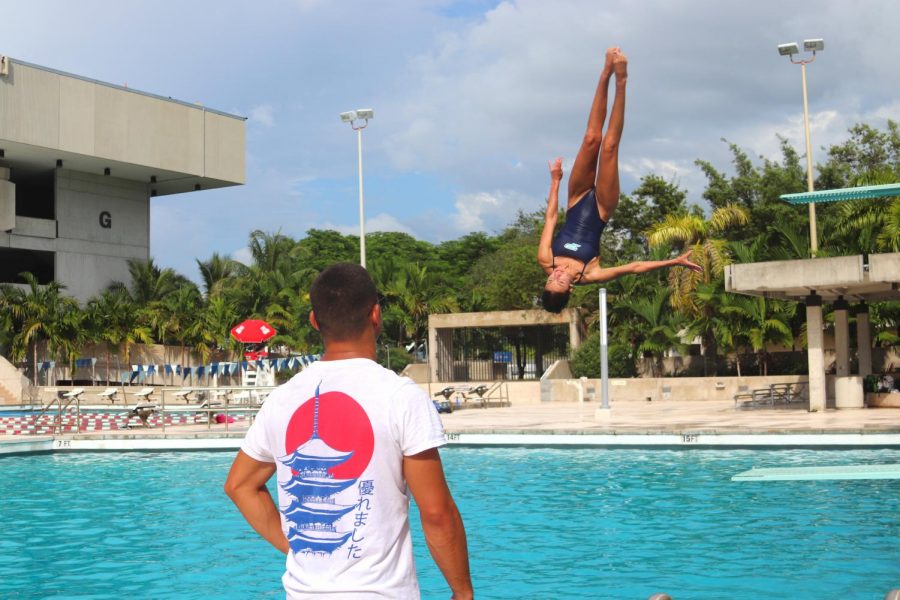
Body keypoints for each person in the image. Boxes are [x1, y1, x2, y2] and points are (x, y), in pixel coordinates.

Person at [225, 263, 473, 599]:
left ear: (314, 320)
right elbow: (436, 513)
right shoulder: (400, 396)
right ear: (376, 315)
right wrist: (462, 591)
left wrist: (300, 548)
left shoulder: (282, 399)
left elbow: (240, 485)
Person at [537, 48, 701, 313]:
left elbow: (551, 219)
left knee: (591, 139)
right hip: (602, 207)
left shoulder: (546, 258)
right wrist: (674, 262)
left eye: (550, 280)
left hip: (576, 199)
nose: (556, 276)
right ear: (570, 289)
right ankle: (622, 81)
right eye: (560, 282)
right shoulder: (591, 273)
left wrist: (555, 181)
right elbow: (635, 268)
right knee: (610, 147)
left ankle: (606, 72)